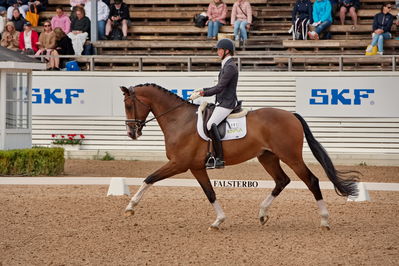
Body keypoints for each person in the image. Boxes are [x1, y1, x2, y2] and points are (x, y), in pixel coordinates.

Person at [189, 39, 239, 169]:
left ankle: (219, 158)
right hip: (221, 102)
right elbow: (217, 86)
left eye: (219, 50)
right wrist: (202, 90)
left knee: (211, 125)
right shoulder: (226, 65)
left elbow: (219, 88)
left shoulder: (230, 67)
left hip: (226, 103)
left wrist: (202, 94)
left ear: (227, 51)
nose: (217, 52)